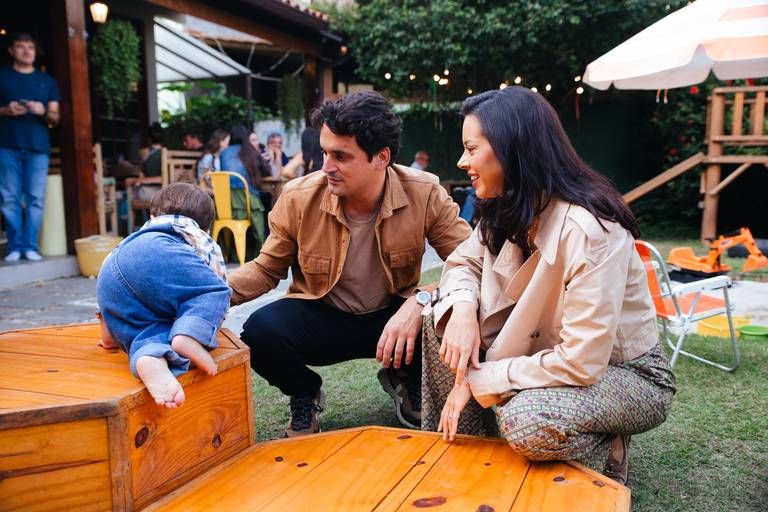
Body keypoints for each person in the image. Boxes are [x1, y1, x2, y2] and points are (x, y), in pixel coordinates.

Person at [422, 87, 676, 485]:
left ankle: (607, 445)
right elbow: (463, 263)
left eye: (471, 149)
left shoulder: (591, 230)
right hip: (540, 352)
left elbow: (582, 361)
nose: (462, 161)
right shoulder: (504, 205)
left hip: (622, 373)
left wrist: (480, 379)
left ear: (512, 149)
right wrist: (464, 310)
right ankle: (468, 454)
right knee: (442, 320)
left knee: (528, 420)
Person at [228, 91, 472, 437]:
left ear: (381, 157)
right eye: (325, 152)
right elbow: (266, 269)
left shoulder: (424, 191)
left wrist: (420, 301)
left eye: (340, 156)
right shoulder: (298, 197)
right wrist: (211, 295)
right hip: (324, 317)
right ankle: (304, 391)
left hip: (394, 319)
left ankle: (405, 375)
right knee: (260, 331)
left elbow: (471, 263)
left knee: (451, 313)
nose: (326, 166)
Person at [96, 183, 230, 408]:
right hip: (160, 258)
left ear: (152, 216)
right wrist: (203, 325)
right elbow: (215, 283)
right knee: (213, 292)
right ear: (206, 227)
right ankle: (188, 336)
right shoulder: (195, 234)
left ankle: (150, 357)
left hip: (110, 274)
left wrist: (109, 338)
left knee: (147, 332)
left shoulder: (131, 239)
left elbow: (104, 308)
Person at [0, 32, 61, 262]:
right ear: (11, 50)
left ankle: (30, 246)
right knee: (9, 198)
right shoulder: (2, 76)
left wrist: (42, 111)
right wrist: (6, 110)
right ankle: (14, 247)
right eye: (21, 46)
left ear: (35, 52)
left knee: (36, 199)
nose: (26, 51)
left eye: (30, 47)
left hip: (38, 148)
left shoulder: (47, 81)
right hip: (7, 146)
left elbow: (56, 117)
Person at [220, 125, 270, 249]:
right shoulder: (250, 151)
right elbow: (266, 171)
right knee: (267, 202)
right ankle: (263, 245)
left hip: (226, 204)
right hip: (248, 201)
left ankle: (231, 252)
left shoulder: (223, 153)